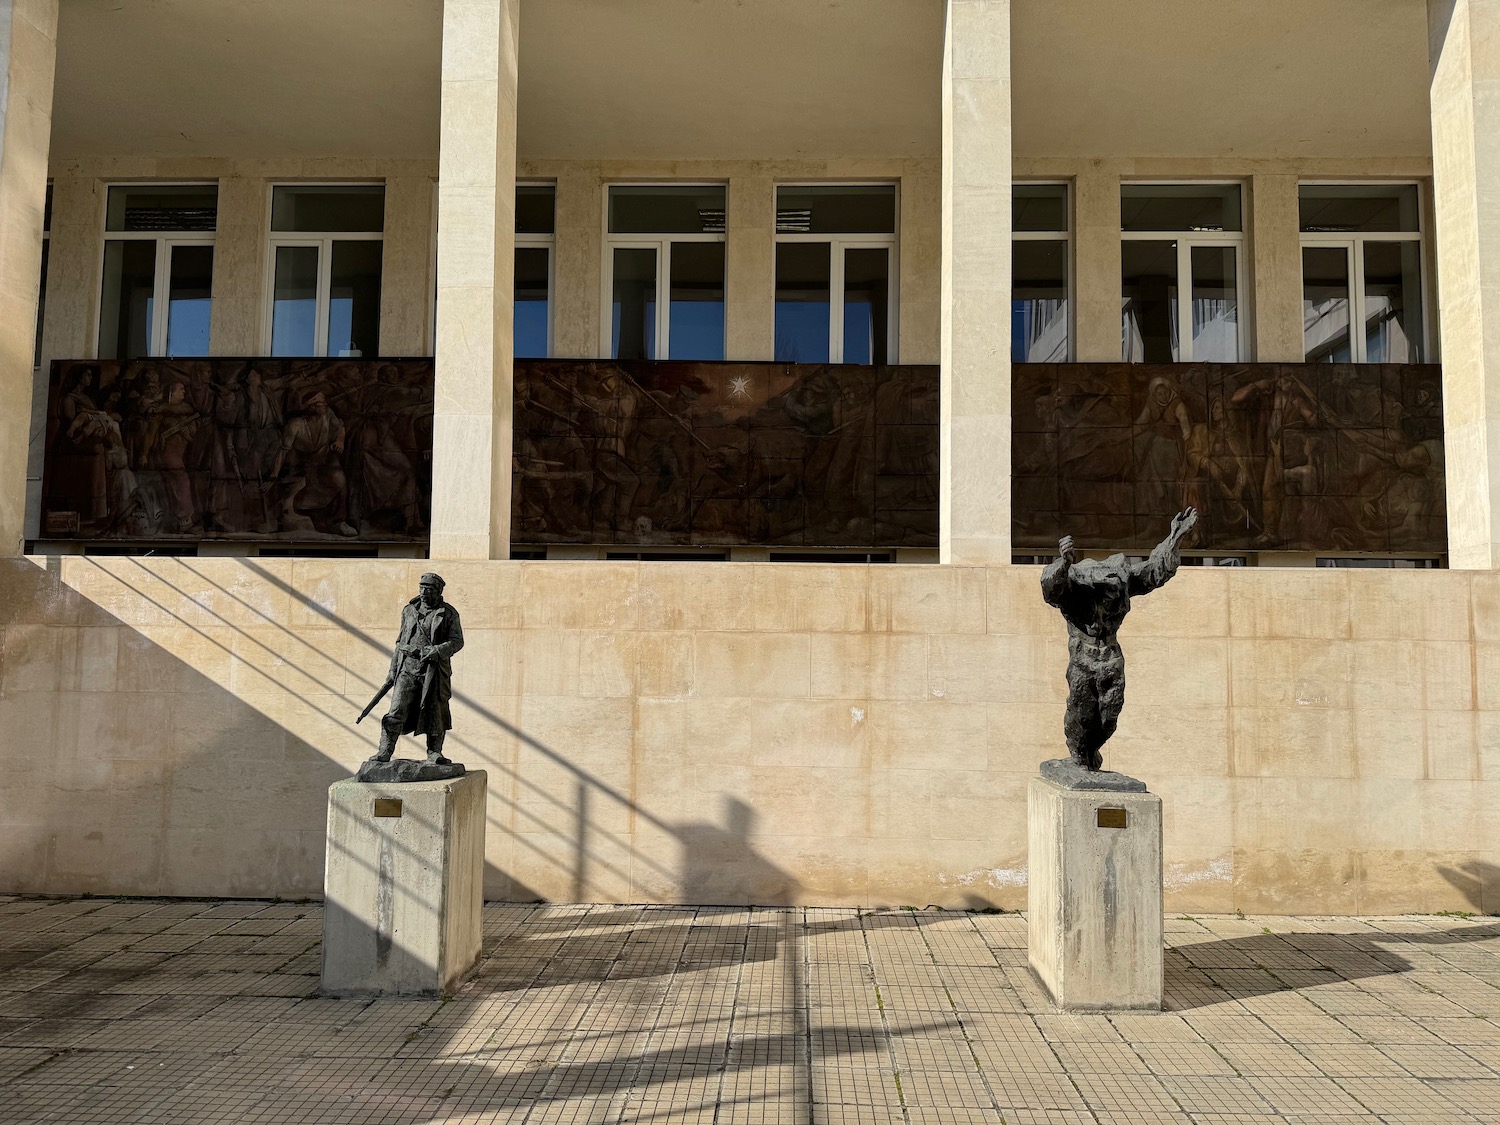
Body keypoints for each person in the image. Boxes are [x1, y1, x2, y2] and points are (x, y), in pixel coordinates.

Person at [1040, 508, 1198, 771]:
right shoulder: (1075, 588)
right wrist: (1064, 563)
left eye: (1112, 593)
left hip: (1111, 660)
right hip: (1082, 661)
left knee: (1109, 717)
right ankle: (1080, 757)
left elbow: (1154, 570)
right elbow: (1050, 587)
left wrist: (1175, 537)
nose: (1109, 598)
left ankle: (1091, 752)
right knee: (1081, 713)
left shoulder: (1122, 580)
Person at [373, 573, 465, 766]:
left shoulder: (448, 613)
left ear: (438, 591)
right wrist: (392, 671)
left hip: (433, 670)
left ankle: (434, 753)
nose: (424, 592)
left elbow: (457, 641)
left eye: (429, 589)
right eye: (422, 588)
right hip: (407, 668)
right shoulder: (409, 610)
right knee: (396, 709)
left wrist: (436, 650)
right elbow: (400, 642)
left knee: (436, 712)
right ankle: (385, 750)